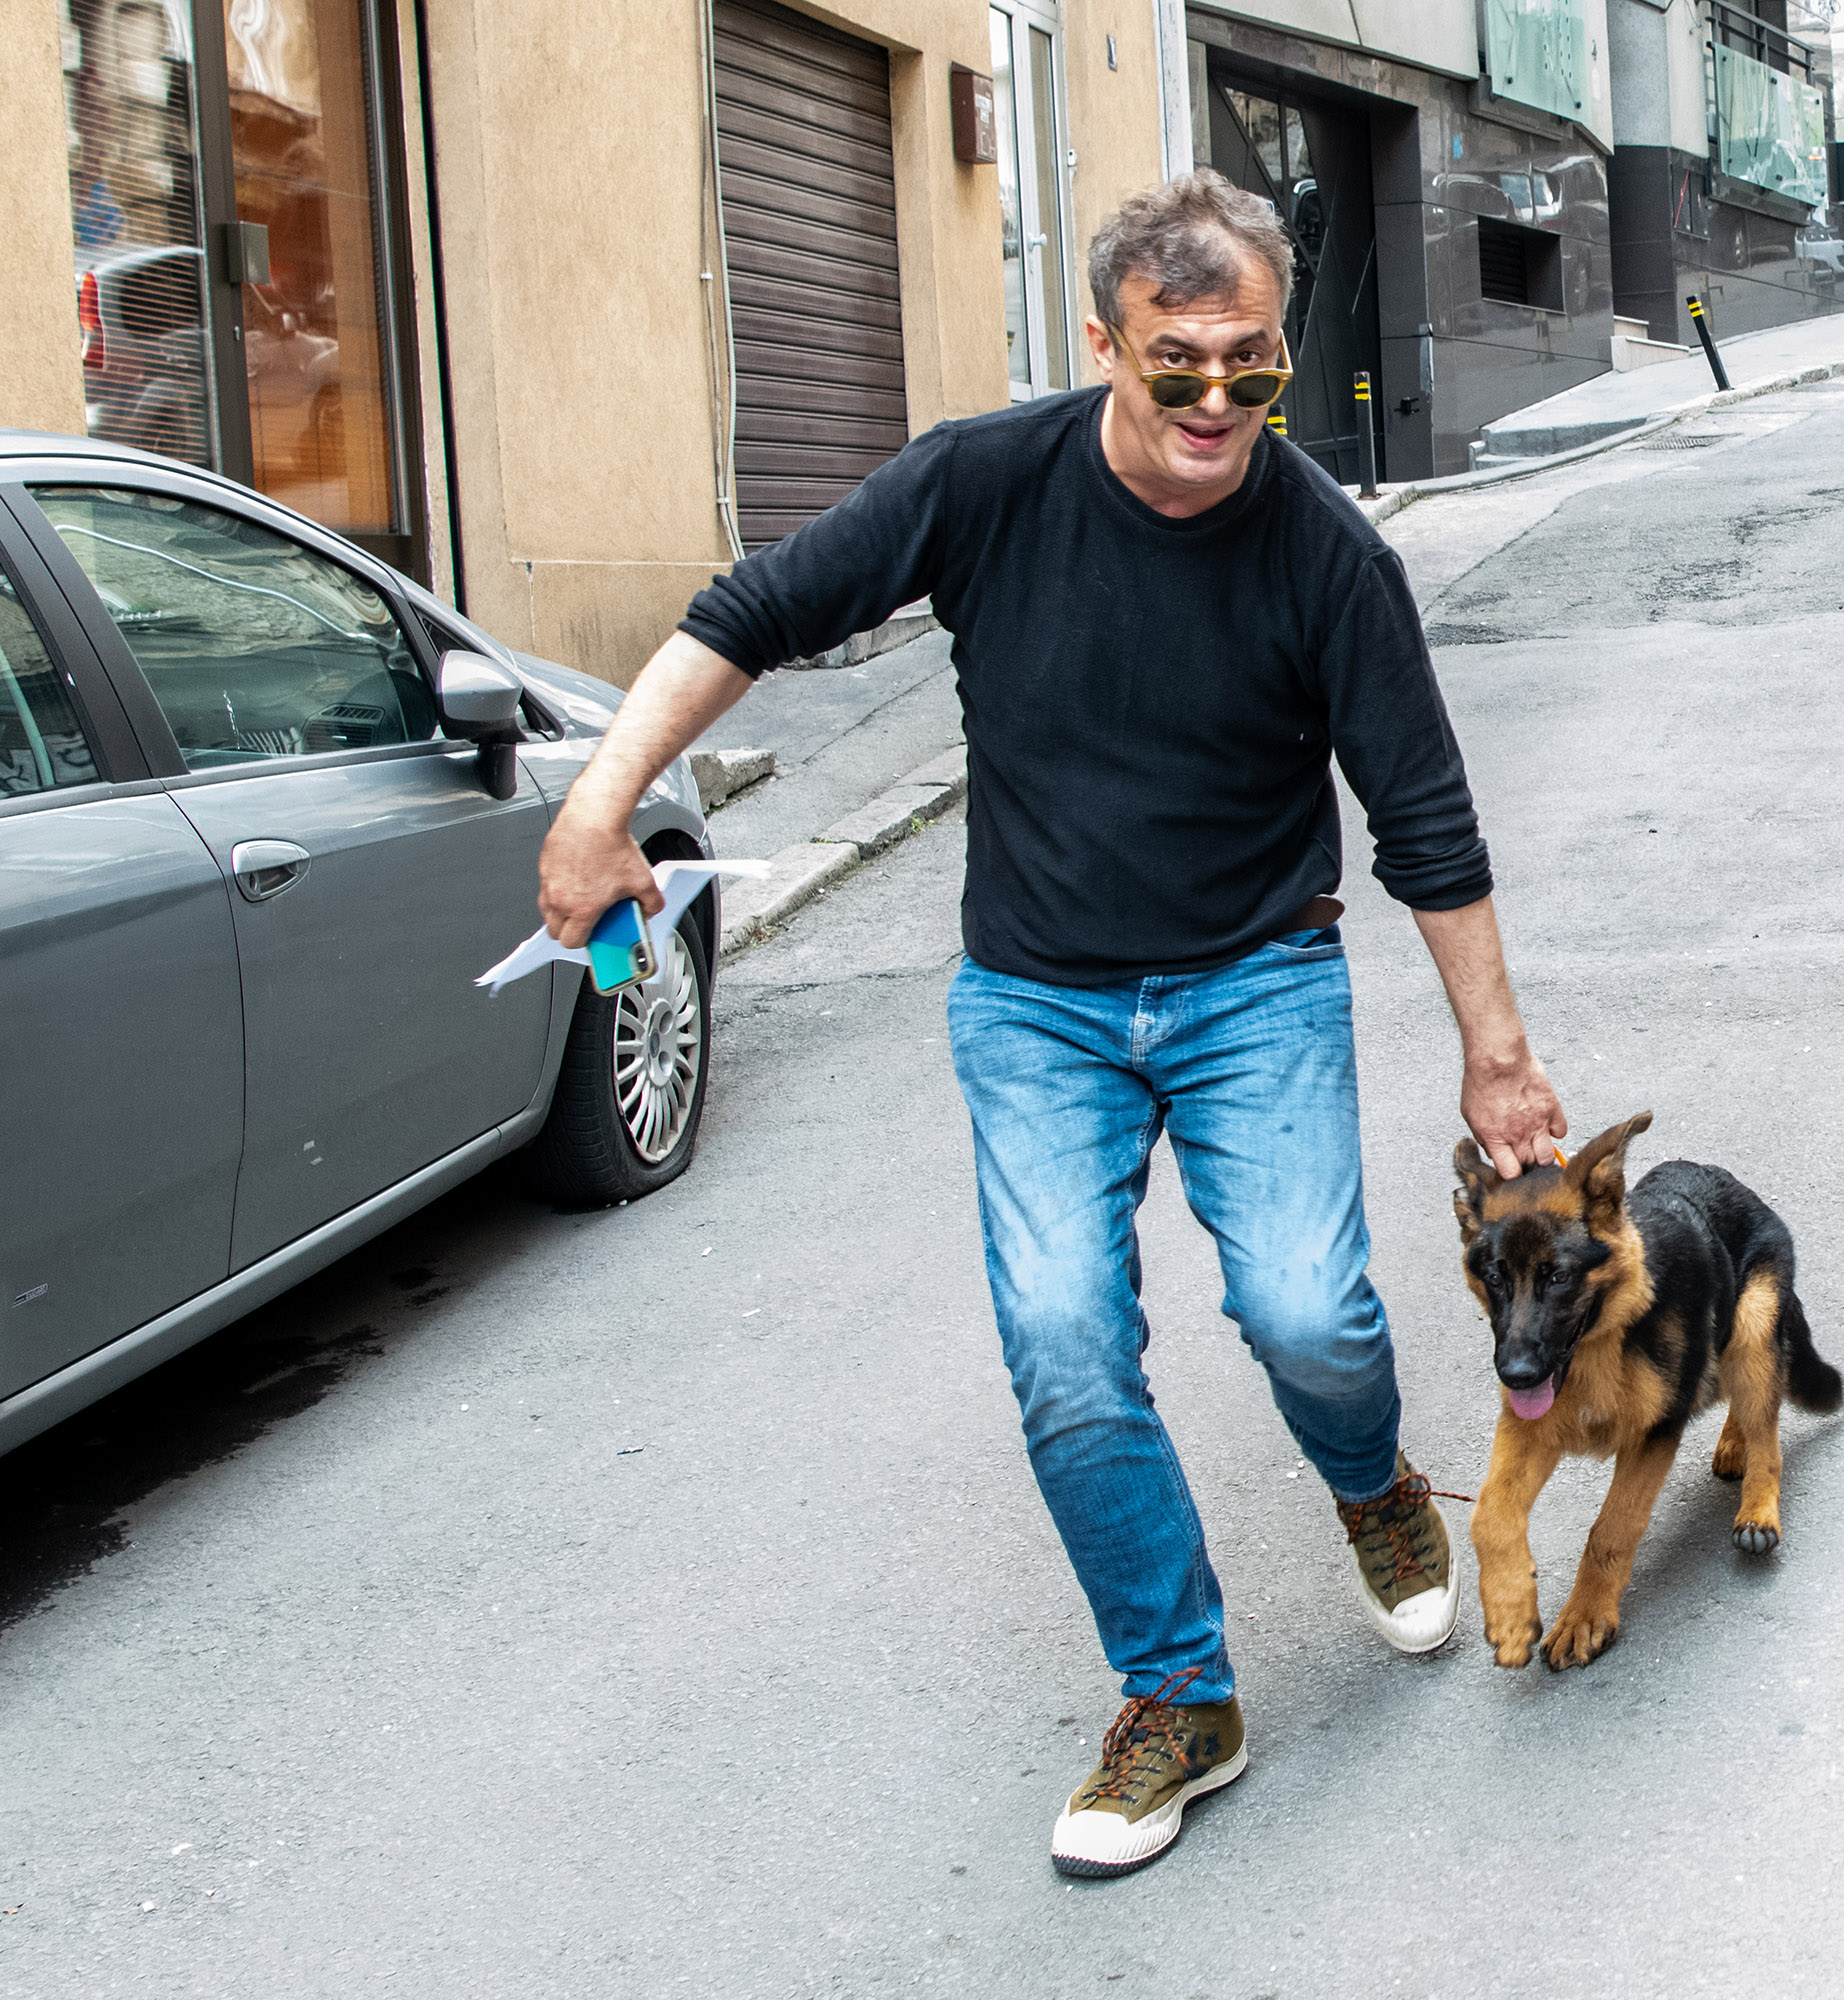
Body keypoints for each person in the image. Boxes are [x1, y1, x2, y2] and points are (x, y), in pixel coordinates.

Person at [532, 171, 1565, 1877]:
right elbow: (749, 616)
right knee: (1068, 1343)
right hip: (1037, 1003)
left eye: (1252, 365)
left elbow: (1427, 824)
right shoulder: (983, 482)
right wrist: (599, 805)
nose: (1218, 402)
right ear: (1102, 343)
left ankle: (1373, 1484)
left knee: (1309, 1316)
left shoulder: (1325, 551)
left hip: (1257, 980)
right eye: (1179, 365)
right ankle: (1181, 1694)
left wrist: (1498, 1056)